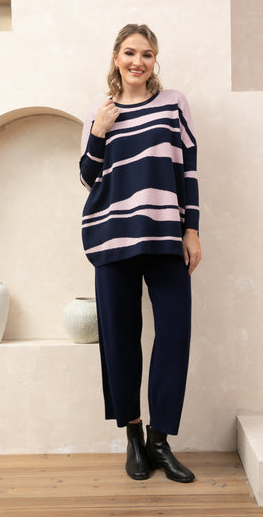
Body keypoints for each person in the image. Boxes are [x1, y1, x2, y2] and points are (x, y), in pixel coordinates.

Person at [79, 24, 201, 483]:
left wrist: (192, 230)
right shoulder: (100, 112)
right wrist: (99, 131)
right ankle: (132, 436)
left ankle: (159, 441)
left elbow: (188, 170)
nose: (138, 61)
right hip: (112, 238)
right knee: (120, 339)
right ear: (116, 57)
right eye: (130, 53)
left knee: (174, 335)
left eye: (146, 54)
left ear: (154, 60)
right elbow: (88, 177)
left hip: (166, 237)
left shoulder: (173, 103)